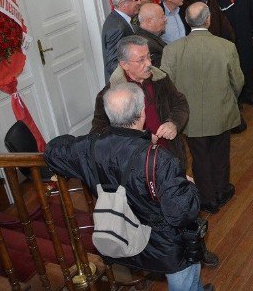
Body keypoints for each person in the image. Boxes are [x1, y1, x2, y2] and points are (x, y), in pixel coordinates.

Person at [45, 83, 212, 291]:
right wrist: (189, 187)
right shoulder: (160, 160)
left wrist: (85, 141)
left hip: (120, 235)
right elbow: (182, 213)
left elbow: (52, 151)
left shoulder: (89, 148)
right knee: (184, 270)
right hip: (163, 245)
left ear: (108, 114)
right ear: (142, 113)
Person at [160, 2, 244, 215]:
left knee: (199, 157)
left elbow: (165, 85)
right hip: (222, 111)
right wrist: (229, 99)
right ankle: (222, 191)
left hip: (189, 116)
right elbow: (238, 81)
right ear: (208, 20)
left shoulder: (172, 50)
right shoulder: (226, 46)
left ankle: (207, 199)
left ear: (187, 21)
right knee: (220, 154)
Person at [91, 35, 189, 180]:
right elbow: (99, 133)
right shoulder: (110, 96)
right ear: (124, 65)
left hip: (170, 156)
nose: (149, 63)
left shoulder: (160, 78)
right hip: (138, 168)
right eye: (141, 60)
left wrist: (173, 123)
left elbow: (180, 103)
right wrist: (141, 139)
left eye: (149, 56)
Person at [211, 0, 253, 107]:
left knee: (247, 67)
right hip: (228, 41)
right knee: (232, 71)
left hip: (247, 36)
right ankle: (237, 100)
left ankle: (249, 96)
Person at [102, 0, 139, 82]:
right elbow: (113, 63)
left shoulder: (118, 19)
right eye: (135, 0)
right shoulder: (117, 27)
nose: (139, 2)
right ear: (123, 4)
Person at [135, 2, 167, 67]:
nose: (165, 19)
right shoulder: (148, 46)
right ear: (149, 22)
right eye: (162, 17)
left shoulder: (148, 37)